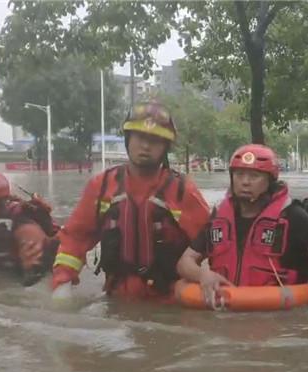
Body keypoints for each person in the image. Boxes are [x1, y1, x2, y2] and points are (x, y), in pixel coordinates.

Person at [51, 101, 211, 301]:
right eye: (140, 137)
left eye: (154, 140)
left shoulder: (182, 191)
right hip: (116, 300)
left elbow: (212, 243)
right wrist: (63, 282)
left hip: (169, 301)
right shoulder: (101, 187)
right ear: (127, 139)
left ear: (166, 147)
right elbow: (75, 238)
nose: (145, 145)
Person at [176, 144, 308, 307]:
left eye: (254, 176)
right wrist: (203, 275)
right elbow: (184, 262)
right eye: (239, 175)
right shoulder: (218, 218)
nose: (245, 182)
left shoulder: (291, 215)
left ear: (270, 181)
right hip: (226, 312)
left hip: (275, 314)